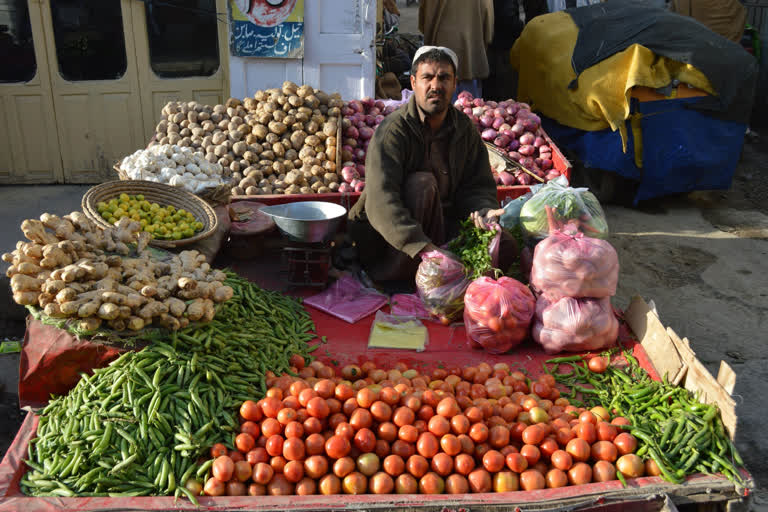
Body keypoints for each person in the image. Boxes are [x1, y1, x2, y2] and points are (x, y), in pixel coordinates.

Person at [348, 46, 503, 284]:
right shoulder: (394, 131)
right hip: (391, 239)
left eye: (444, 78)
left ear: (454, 84)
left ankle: (441, 270)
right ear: (413, 82)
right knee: (422, 184)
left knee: (506, 245)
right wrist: (424, 249)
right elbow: (381, 201)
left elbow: (478, 185)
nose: (435, 86)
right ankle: (396, 276)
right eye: (427, 77)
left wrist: (483, 210)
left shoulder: (463, 128)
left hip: (442, 225)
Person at [418, 0, 494, 99]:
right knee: (471, 106)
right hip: (470, 50)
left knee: (441, 103)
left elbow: (424, 19)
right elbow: (488, 19)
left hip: (441, 51)